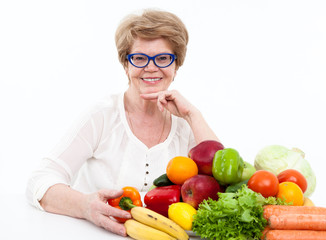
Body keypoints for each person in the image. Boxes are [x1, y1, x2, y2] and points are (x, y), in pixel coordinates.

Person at [26, 9, 219, 237]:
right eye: (139, 58)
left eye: (163, 58)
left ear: (176, 65)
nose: (151, 67)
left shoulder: (187, 122)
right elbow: (40, 179)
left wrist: (192, 115)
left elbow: (224, 185)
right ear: (125, 65)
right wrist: (85, 206)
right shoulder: (102, 116)